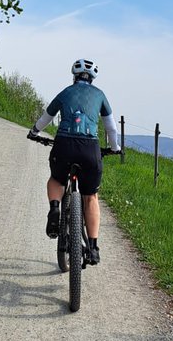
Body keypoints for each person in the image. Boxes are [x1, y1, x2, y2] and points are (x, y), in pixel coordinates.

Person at [27, 58, 119, 265]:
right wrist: (115, 148)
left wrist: (34, 132)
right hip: (90, 149)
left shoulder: (65, 92)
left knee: (57, 179)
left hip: (64, 145)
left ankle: (54, 208)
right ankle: (93, 247)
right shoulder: (100, 95)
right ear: (93, 78)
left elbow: (46, 117)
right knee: (91, 197)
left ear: (74, 76)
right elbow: (111, 129)